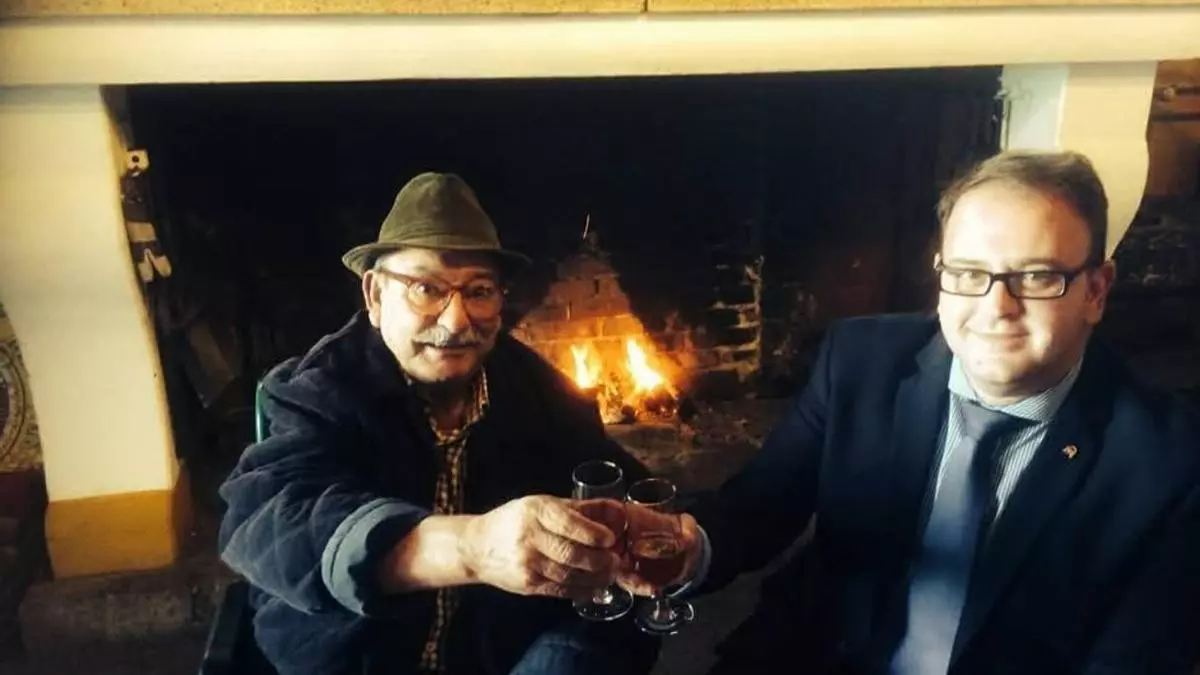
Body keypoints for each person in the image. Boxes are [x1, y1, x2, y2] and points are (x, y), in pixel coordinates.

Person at [621, 150, 1200, 674]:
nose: (997, 307)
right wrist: (683, 545)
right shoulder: (861, 362)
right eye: (969, 273)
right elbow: (761, 505)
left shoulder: (1170, 463)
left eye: (1036, 276)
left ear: (1096, 290)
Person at [219, 172, 658, 675]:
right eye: (426, 288)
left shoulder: (534, 387)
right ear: (375, 295)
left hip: (501, 656)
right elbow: (268, 518)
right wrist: (472, 547)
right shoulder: (318, 391)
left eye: (480, 290)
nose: (456, 321)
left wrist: (673, 532)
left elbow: (617, 483)